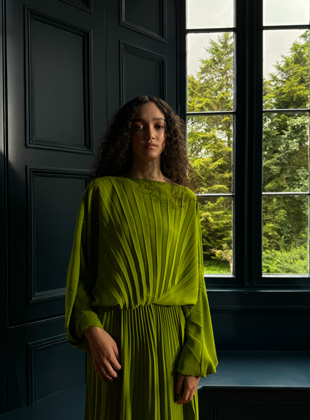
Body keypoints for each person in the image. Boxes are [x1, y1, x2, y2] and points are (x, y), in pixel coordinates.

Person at [65, 96, 218, 420]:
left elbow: (195, 289)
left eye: (158, 126)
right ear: (126, 135)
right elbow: (82, 276)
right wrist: (93, 331)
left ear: (168, 136)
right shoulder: (102, 193)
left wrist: (193, 361)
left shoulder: (184, 201)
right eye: (139, 126)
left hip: (169, 342)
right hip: (114, 342)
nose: (150, 133)